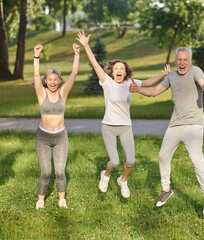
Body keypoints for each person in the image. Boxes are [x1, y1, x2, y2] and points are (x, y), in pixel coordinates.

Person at [76, 30, 170, 198]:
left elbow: (148, 82)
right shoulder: (107, 82)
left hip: (125, 127)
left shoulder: (130, 83)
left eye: (122, 69)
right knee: (115, 161)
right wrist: (86, 45)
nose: (119, 70)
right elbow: (95, 65)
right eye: (116, 68)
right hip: (109, 127)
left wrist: (163, 75)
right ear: (112, 72)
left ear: (126, 72)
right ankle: (105, 175)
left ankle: (123, 180)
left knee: (131, 162)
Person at [130, 47, 204, 216]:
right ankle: (166, 189)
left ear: (190, 60)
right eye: (179, 60)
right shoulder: (171, 76)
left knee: (196, 159)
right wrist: (138, 89)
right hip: (175, 124)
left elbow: (202, 83)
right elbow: (154, 92)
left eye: (185, 59)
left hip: (193, 124)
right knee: (162, 155)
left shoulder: (196, 71)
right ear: (175, 61)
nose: (182, 63)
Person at [33, 43, 80, 209]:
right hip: (43, 137)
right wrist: (36, 55)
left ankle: (62, 200)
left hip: (60, 136)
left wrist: (76, 53)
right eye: (49, 79)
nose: (52, 82)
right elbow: (36, 73)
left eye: (55, 79)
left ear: (59, 81)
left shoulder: (63, 93)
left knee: (60, 171)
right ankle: (40, 200)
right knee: (46, 172)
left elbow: (74, 73)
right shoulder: (41, 93)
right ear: (45, 81)